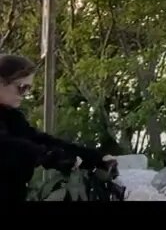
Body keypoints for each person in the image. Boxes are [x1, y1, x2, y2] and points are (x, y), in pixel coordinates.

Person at [0, 54, 116, 202]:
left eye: (28, 88)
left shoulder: (11, 117)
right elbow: (9, 146)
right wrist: (53, 157)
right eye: (21, 88)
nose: (25, 94)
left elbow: (42, 140)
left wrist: (94, 158)